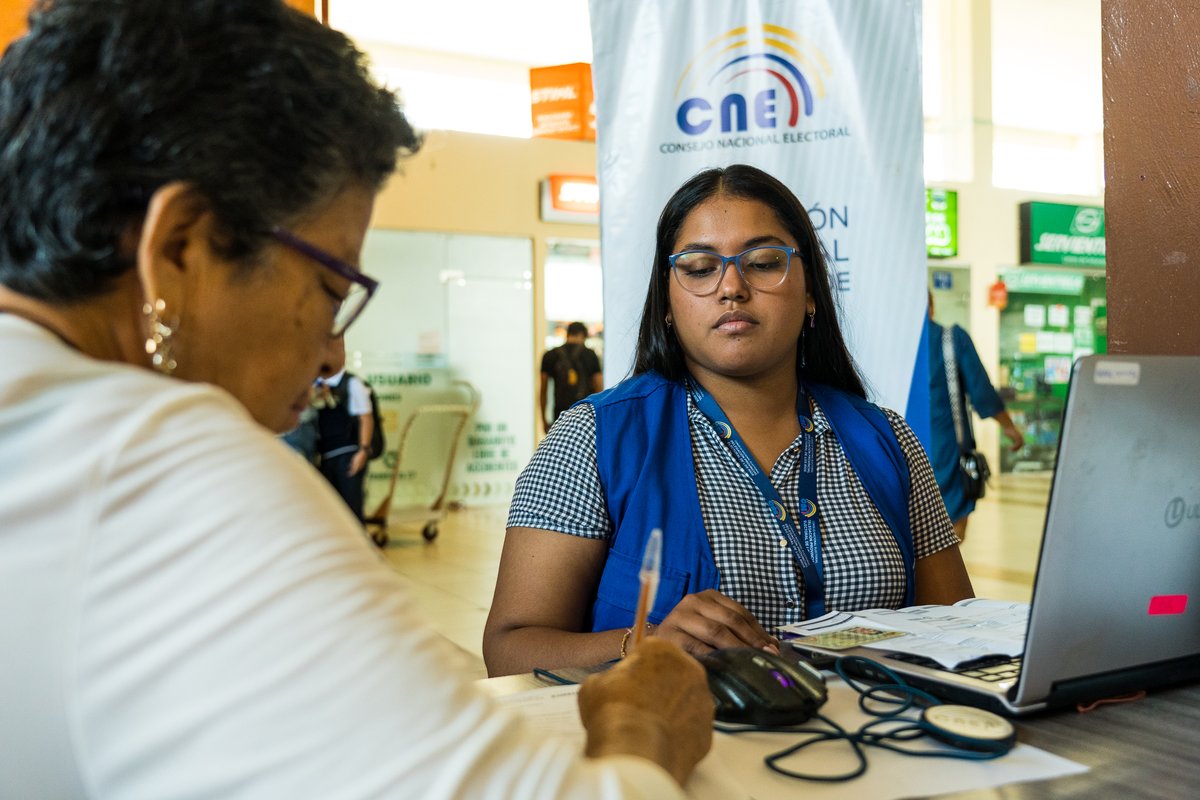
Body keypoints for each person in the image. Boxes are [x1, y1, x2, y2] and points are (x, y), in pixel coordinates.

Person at [0, 2, 712, 797]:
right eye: (330, 289)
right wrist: (643, 725)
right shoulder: (154, 465)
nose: (334, 350)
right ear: (180, 248)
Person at [484, 164, 974, 677]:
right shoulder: (593, 439)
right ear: (668, 303)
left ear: (811, 294)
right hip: (681, 752)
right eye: (699, 268)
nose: (732, 287)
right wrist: (640, 645)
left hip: (881, 749)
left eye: (763, 263)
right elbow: (509, 650)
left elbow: (957, 633)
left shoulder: (888, 439)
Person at [927, 291, 1025, 542]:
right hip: (946, 453)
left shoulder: (890, 347)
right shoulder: (950, 339)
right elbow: (981, 391)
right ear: (931, 305)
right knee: (951, 531)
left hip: (896, 451)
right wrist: (1009, 427)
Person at [314, 335, 374, 520]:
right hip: (326, 456)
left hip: (348, 455)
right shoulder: (316, 385)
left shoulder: (353, 384)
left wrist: (362, 450)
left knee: (351, 507)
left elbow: (366, 417)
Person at [539, 320, 603, 432]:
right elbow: (599, 388)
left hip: (559, 417)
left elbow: (543, 390)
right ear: (583, 335)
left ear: (568, 334)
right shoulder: (590, 355)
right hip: (585, 417)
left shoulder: (550, 355)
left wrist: (544, 420)